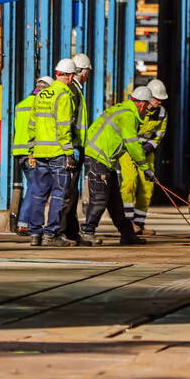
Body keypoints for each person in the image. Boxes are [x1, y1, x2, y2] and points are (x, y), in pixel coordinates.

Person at [80, 86, 156, 246]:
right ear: (141, 104)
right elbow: (133, 145)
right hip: (97, 158)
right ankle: (87, 232)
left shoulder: (123, 111)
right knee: (100, 198)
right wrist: (145, 168)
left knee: (115, 201)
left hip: (104, 159)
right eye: (148, 106)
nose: (148, 110)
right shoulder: (128, 116)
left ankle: (127, 235)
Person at [26, 59, 80, 247]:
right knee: (59, 194)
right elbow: (63, 126)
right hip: (57, 152)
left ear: (57, 73)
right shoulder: (63, 95)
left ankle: (35, 234)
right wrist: (69, 152)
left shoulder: (41, 95)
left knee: (38, 194)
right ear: (71, 76)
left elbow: (31, 125)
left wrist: (32, 149)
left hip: (40, 152)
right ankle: (51, 234)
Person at [119, 78, 168, 235]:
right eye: (156, 99)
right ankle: (127, 224)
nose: (159, 102)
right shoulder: (136, 110)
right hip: (128, 151)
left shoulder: (162, 113)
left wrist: (149, 147)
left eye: (161, 100)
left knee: (147, 186)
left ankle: (139, 224)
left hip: (147, 153)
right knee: (129, 183)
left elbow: (159, 134)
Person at [12, 75, 54, 235]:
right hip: (32, 151)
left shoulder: (21, 104)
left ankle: (25, 222)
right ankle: (24, 223)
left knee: (33, 186)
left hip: (19, 151)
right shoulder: (40, 105)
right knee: (35, 188)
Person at [61, 53, 93, 240]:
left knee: (72, 191)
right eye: (88, 71)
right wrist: (71, 149)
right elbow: (69, 121)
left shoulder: (75, 90)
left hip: (75, 146)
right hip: (73, 146)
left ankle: (71, 231)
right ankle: (63, 230)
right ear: (83, 72)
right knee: (68, 191)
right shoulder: (73, 90)